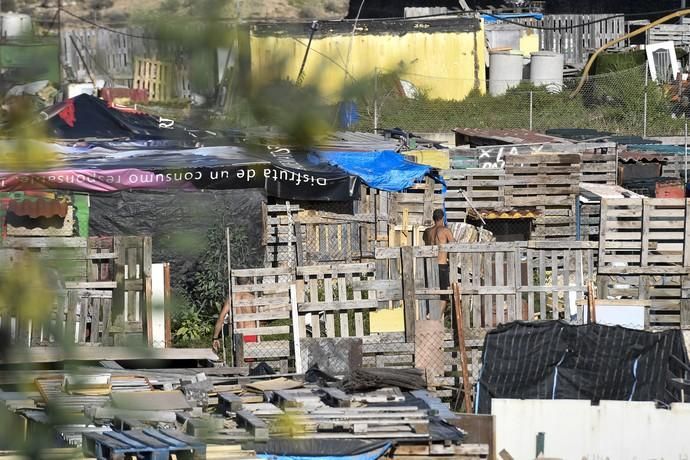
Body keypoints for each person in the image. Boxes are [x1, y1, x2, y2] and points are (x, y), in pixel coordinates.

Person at [423, 209, 455, 317]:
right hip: (442, 265)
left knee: (430, 292)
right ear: (442, 218)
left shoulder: (427, 232)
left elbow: (425, 241)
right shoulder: (445, 231)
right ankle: (436, 318)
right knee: (443, 296)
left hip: (429, 266)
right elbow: (453, 245)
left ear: (433, 218)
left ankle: (429, 314)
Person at [212, 277, 257, 352]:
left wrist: (215, 338)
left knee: (239, 361)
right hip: (251, 333)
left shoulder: (232, 298)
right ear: (249, 282)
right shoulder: (251, 298)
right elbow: (258, 317)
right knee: (251, 361)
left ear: (236, 283)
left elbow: (221, 318)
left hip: (238, 335)